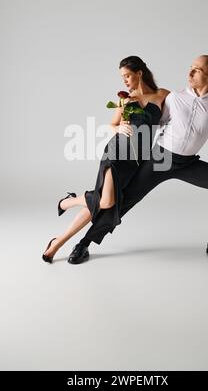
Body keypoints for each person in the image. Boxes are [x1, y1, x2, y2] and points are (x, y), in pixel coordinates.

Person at [67, 54, 208, 264]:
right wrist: (125, 118)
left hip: (189, 163)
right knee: (123, 201)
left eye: (197, 70)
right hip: (160, 158)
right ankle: (84, 243)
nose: (189, 72)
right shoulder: (174, 98)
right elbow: (152, 121)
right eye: (191, 67)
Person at [42, 56, 168, 263]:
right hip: (116, 152)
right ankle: (66, 210)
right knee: (107, 200)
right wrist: (120, 127)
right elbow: (111, 125)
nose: (125, 81)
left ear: (139, 73)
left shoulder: (162, 95)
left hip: (136, 160)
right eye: (122, 77)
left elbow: (187, 103)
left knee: (102, 202)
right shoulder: (125, 99)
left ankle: (59, 235)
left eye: (127, 75)